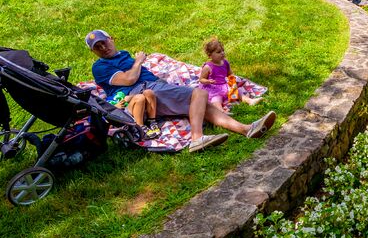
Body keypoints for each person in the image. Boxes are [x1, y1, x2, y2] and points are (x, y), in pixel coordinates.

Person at [86, 30, 276, 152]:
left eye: (104, 42)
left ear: (111, 38)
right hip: (141, 92)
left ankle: (247, 129)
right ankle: (197, 138)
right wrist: (138, 61)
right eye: (97, 47)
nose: (103, 48)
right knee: (199, 94)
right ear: (93, 52)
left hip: (154, 87)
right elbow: (129, 79)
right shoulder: (100, 67)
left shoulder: (123, 54)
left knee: (203, 104)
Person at [199, 37, 260, 112]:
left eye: (222, 51)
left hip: (224, 85)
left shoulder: (225, 62)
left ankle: (250, 101)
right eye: (218, 52)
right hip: (213, 88)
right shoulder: (208, 67)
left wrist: (232, 82)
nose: (222, 53)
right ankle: (221, 112)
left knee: (238, 91)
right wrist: (208, 81)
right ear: (210, 55)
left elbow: (230, 74)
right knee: (216, 99)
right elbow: (201, 79)